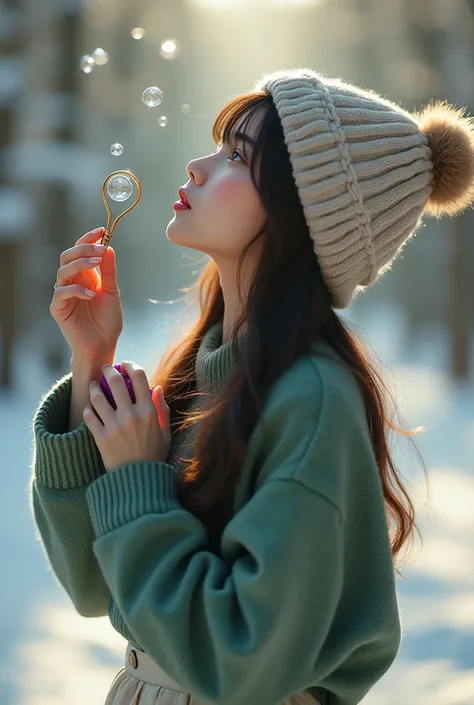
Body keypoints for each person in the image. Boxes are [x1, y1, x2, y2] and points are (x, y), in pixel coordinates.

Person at [30, 67, 474, 705]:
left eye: (237, 155)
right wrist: (91, 361)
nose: (199, 164)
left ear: (304, 211)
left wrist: (137, 482)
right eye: (216, 144)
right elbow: (94, 585)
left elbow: (243, 658)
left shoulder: (310, 399)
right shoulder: (205, 372)